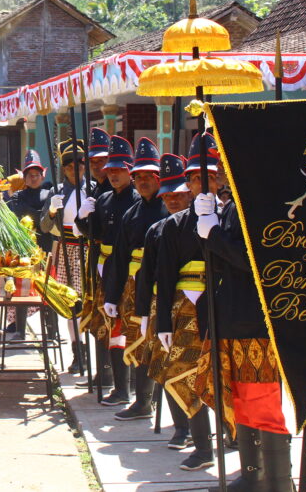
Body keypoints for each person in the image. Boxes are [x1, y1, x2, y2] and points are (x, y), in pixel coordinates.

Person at [193, 150, 292, 491]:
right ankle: (253, 475)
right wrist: (206, 229)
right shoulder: (233, 204)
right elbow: (220, 262)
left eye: (226, 165)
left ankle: (278, 483)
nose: (221, 172)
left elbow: (254, 261)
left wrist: (215, 234)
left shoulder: (261, 203)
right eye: (219, 166)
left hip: (256, 321)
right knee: (242, 400)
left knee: (262, 403)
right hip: (233, 316)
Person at [154, 133, 220, 472]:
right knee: (188, 375)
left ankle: (239, 440)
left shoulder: (235, 219)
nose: (204, 182)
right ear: (189, 182)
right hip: (184, 308)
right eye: (195, 177)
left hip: (225, 306)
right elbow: (164, 277)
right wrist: (162, 322)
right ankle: (201, 446)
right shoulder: (174, 225)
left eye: (211, 174)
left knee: (226, 378)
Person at [104, 137, 168, 418]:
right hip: (134, 285)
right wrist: (111, 294)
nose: (143, 181)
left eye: (148, 176)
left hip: (163, 283)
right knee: (138, 341)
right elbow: (119, 256)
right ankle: (142, 401)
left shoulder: (170, 207)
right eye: (138, 176)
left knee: (163, 344)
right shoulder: (131, 213)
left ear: (159, 178)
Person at [75, 133, 139, 401]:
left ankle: (130, 386)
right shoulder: (103, 200)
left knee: (126, 328)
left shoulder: (137, 199)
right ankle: (116, 383)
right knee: (106, 324)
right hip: (103, 266)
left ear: (130, 171)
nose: (113, 175)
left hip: (130, 270)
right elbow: (95, 233)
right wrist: (82, 219)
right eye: (110, 170)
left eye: (119, 170)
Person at [137, 153, 194, 450]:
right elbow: (147, 276)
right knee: (170, 367)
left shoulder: (206, 222)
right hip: (167, 307)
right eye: (167, 195)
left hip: (203, 304)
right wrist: (145, 313)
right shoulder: (157, 230)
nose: (172, 200)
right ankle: (181, 428)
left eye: (178, 194)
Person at [40, 137, 89, 374]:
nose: (75, 168)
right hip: (65, 251)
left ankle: (90, 350)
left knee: (87, 302)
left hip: (88, 249)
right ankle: (78, 351)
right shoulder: (56, 192)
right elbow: (44, 227)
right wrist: (51, 211)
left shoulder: (92, 189)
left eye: (79, 164)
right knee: (72, 305)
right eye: (69, 165)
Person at [3, 149, 51, 343]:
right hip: (23, 253)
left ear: (42, 175)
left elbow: (47, 222)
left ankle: (51, 331)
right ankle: (19, 330)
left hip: (46, 249)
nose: (33, 178)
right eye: (30, 175)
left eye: (36, 174)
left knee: (49, 289)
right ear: (24, 176)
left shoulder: (50, 194)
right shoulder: (17, 197)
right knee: (22, 290)